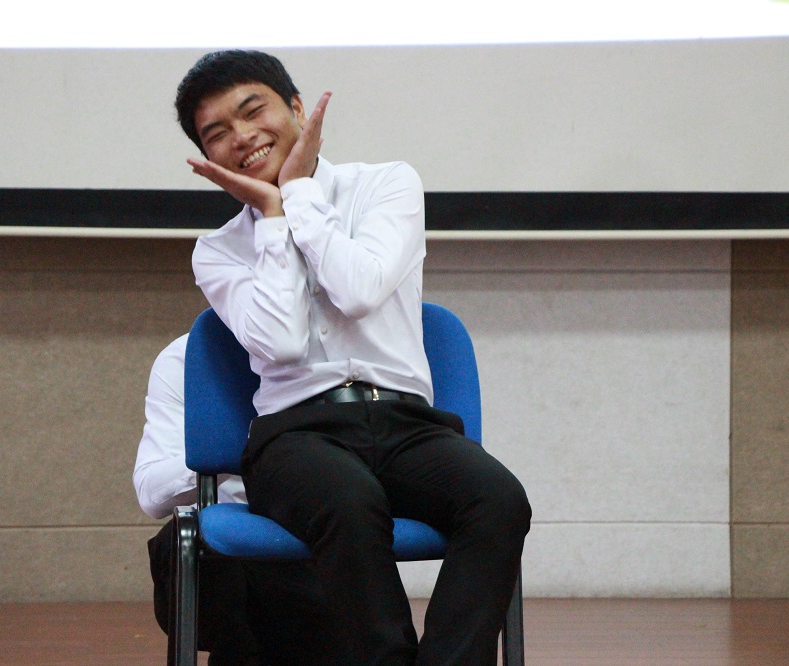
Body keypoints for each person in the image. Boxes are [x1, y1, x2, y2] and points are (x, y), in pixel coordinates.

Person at [178, 50, 532, 665]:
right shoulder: (218, 251)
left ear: (296, 108)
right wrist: (273, 219)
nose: (242, 137)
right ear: (209, 159)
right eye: (217, 133)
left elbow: (359, 289)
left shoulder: (387, 184)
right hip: (295, 437)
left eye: (253, 111)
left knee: (498, 500)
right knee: (347, 501)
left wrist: (298, 193)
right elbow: (282, 343)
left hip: (407, 424)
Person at [134, 334, 340, 666]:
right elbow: (150, 494)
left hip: (312, 529)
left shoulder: (337, 352)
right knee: (194, 544)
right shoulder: (187, 355)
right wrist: (227, 452)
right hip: (221, 557)